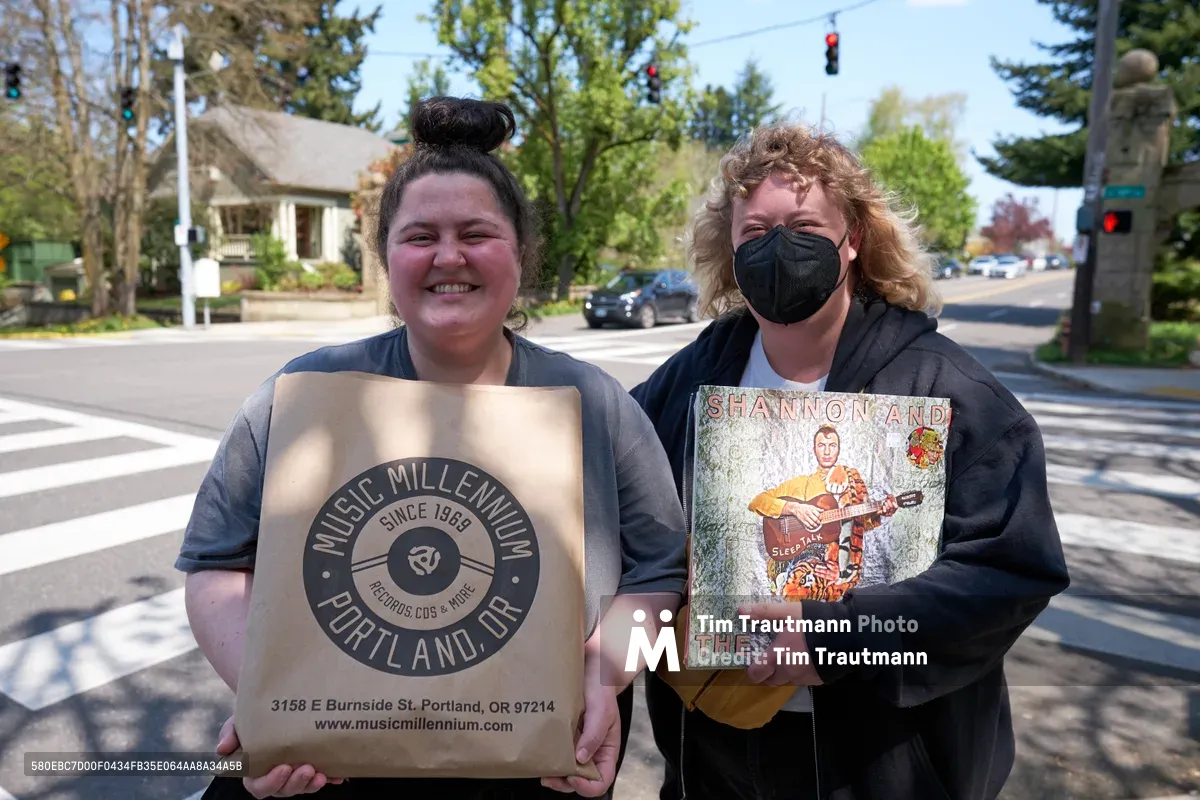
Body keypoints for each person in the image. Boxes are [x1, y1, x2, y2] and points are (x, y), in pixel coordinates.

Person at [176, 96, 688, 800]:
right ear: (386, 255)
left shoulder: (597, 406)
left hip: (538, 763)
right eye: (420, 236)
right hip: (339, 766)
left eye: (476, 233)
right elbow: (214, 564)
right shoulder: (300, 396)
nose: (449, 256)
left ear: (520, 253)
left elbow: (661, 572)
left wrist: (605, 674)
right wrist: (274, 688)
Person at [629, 119, 1070, 799]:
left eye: (804, 226)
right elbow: (618, 500)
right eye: (755, 233)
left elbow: (1009, 574)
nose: (779, 249)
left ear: (853, 239)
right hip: (716, 752)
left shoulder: (951, 394)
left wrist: (841, 636)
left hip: (883, 763)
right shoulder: (691, 379)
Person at [747, 423, 899, 600]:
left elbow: (858, 527)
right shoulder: (800, 484)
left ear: (839, 450)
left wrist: (882, 511)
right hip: (800, 564)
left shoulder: (851, 483)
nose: (827, 452)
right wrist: (794, 508)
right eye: (822, 445)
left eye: (832, 446)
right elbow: (756, 503)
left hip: (836, 572)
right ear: (814, 450)